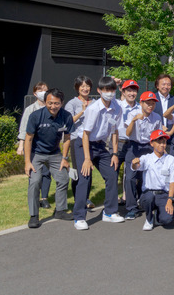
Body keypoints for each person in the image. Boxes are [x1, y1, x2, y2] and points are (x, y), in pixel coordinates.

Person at [73, 76, 125, 230]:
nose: (109, 93)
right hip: (84, 144)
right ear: (99, 91)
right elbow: (85, 135)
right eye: (106, 90)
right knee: (84, 177)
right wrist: (87, 159)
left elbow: (115, 132)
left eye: (112, 90)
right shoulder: (93, 109)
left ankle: (109, 212)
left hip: (100, 145)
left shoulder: (117, 107)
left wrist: (115, 154)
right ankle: (79, 217)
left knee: (111, 174)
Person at [23, 88, 74, 228]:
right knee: (34, 181)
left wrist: (65, 158)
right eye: (50, 103)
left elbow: (68, 138)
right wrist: (27, 162)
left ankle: (60, 210)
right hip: (37, 153)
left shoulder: (66, 116)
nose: (53, 106)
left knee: (63, 178)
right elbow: (28, 139)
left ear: (62, 103)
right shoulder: (35, 116)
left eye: (56, 103)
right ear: (45, 102)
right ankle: (34, 215)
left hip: (55, 153)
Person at [123, 91, 162, 220]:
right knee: (130, 177)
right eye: (147, 103)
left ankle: (144, 202)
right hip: (134, 146)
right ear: (141, 103)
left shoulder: (156, 117)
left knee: (145, 176)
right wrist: (134, 121)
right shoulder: (133, 113)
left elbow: (158, 136)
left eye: (152, 104)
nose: (150, 106)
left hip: (149, 147)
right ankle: (131, 208)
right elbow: (128, 133)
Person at [131, 129, 174, 231]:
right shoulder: (147, 158)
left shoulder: (171, 160)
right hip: (148, 194)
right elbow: (137, 166)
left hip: (163, 195)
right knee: (149, 197)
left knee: (167, 220)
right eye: (159, 142)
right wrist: (134, 164)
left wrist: (170, 200)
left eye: (164, 142)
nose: (162, 145)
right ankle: (149, 219)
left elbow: (172, 182)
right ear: (152, 143)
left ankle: (157, 214)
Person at [17, 81, 52, 209]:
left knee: (47, 173)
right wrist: (21, 145)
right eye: (40, 90)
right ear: (35, 93)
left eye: (45, 89)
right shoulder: (30, 109)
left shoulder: (51, 108)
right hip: (33, 146)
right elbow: (23, 128)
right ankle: (34, 198)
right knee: (34, 172)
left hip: (48, 146)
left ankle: (44, 198)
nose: (43, 92)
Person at [114, 79, 139, 206]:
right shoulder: (117, 105)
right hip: (118, 142)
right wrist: (114, 83)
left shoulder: (140, 107)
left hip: (133, 144)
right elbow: (106, 95)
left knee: (130, 174)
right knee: (113, 172)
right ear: (123, 91)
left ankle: (128, 200)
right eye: (129, 90)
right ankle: (112, 202)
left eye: (134, 90)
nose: (131, 93)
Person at [152, 74, 174, 160]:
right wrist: (160, 127)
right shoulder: (153, 99)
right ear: (157, 86)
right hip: (155, 137)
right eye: (163, 84)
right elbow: (150, 116)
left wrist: (170, 132)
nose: (166, 86)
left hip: (171, 138)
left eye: (168, 84)